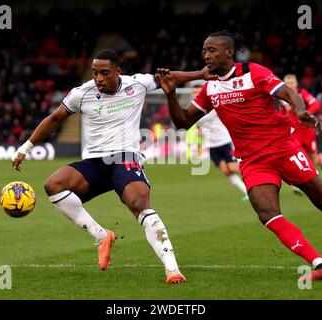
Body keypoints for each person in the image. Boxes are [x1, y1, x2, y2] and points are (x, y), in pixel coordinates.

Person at [156, 31, 322, 282]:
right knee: (267, 213)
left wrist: (300, 111)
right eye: (204, 50)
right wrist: (170, 94)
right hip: (252, 161)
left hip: (283, 149)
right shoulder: (210, 88)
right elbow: (183, 122)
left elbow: (290, 94)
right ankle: (321, 263)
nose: (206, 55)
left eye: (212, 50)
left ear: (229, 52)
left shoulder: (253, 71)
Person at [12, 49, 213, 284]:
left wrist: (198, 74)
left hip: (124, 159)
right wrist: (25, 147)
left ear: (118, 72)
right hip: (94, 162)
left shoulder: (136, 84)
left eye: (105, 73)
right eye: (95, 73)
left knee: (139, 202)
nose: (98, 79)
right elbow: (55, 118)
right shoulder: (81, 93)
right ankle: (101, 236)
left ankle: (172, 269)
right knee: (54, 184)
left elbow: (168, 78)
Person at [189, 80, 248, 201]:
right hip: (211, 145)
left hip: (225, 141)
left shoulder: (212, 104)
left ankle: (255, 182)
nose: (195, 94)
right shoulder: (193, 109)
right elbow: (199, 129)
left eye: (197, 91)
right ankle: (245, 191)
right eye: (193, 92)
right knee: (226, 171)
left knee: (233, 167)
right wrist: (199, 146)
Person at [281, 74, 322, 172]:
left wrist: (306, 114)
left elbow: (315, 104)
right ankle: (299, 184)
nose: (289, 85)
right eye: (287, 83)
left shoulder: (302, 93)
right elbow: (281, 114)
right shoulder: (282, 98)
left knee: (313, 160)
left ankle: (319, 159)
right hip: (293, 132)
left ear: (296, 84)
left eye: (292, 83)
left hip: (307, 131)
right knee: (295, 157)